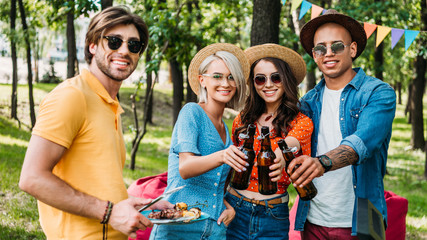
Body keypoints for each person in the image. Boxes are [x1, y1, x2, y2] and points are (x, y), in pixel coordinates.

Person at [19, 6, 173, 240]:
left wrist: (131, 204)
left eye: (133, 45)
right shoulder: (72, 96)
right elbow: (32, 178)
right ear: (92, 45)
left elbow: (94, 183)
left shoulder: (109, 104)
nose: (124, 50)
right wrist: (109, 213)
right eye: (114, 41)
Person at [289, 9, 397, 239]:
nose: (328, 53)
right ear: (314, 55)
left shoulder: (379, 93)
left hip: (366, 219)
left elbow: (361, 144)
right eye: (320, 48)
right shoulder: (308, 102)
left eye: (337, 46)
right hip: (313, 218)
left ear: (353, 49)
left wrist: (321, 163)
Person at [149, 43, 250, 239]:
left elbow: (213, 185)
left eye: (231, 77)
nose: (226, 83)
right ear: (202, 80)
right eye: (218, 76)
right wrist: (222, 155)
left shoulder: (226, 129)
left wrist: (228, 207)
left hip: (214, 228)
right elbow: (185, 168)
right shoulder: (192, 112)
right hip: (179, 226)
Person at [225, 43, 314, 240]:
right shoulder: (242, 120)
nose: (268, 84)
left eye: (276, 77)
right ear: (253, 83)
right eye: (260, 79)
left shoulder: (301, 122)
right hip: (234, 208)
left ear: (286, 80)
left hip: (272, 216)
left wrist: (280, 156)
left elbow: (292, 142)